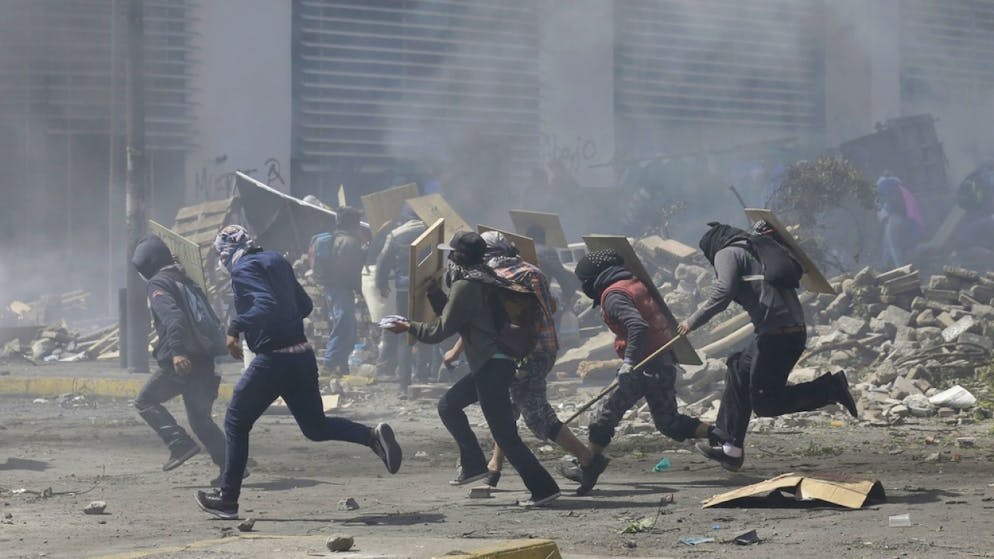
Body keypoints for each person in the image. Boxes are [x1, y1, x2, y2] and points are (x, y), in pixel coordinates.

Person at [195, 225, 402, 519]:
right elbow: (303, 305)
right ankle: (372, 437)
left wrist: (235, 327)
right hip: (301, 355)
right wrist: (281, 319)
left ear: (228, 251)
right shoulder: (276, 260)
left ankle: (227, 500)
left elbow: (266, 304)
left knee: (235, 422)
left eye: (220, 253)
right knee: (315, 427)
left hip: (273, 361)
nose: (220, 261)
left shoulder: (242, 270)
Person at [385, 231, 561, 507]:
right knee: (449, 405)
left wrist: (408, 327)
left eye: (451, 254)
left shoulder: (467, 285)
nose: (449, 259)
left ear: (458, 257)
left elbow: (441, 330)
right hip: (494, 363)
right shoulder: (486, 280)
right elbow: (459, 316)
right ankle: (474, 465)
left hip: (491, 364)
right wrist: (434, 293)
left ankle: (543, 488)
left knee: (504, 434)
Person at [677, 222, 857, 471]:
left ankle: (830, 389)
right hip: (787, 332)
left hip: (776, 336)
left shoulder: (726, 253)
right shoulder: (757, 250)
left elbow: (724, 290)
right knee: (739, 366)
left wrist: (691, 322)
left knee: (765, 404)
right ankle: (730, 447)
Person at [443, 231, 592, 488]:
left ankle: (587, 460)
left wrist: (455, 352)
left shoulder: (495, 277)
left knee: (535, 415)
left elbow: (485, 321)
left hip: (519, 354)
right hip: (543, 349)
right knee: (506, 410)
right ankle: (493, 467)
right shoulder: (531, 270)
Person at [567, 249, 711, 495]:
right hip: (660, 362)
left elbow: (637, 325)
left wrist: (628, 362)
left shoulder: (613, 295)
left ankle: (589, 466)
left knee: (606, 415)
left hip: (643, 366)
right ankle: (723, 435)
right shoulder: (632, 283)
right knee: (668, 422)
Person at [131, 235, 227, 483]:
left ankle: (179, 443)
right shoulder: (185, 280)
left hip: (184, 362)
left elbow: (174, 319)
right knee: (200, 419)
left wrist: (177, 352)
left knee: (145, 401)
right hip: (205, 359)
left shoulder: (157, 284)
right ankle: (231, 468)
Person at [310, 206, 365, 376]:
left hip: (332, 287)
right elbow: (352, 270)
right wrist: (359, 289)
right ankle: (329, 363)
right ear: (353, 223)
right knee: (343, 323)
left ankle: (342, 365)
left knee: (347, 324)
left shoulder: (334, 238)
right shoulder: (351, 242)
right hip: (341, 288)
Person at [876, 174, 923, 268]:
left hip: (894, 218)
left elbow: (889, 204)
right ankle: (885, 267)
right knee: (887, 245)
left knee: (894, 247)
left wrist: (884, 211)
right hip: (901, 218)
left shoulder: (885, 186)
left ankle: (900, 269)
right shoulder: (900, 188)